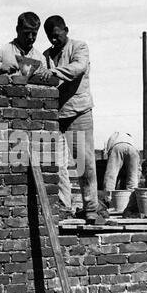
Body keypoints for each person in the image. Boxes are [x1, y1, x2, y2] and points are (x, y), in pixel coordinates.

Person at [39, 15, 99, 221]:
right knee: (56, 163)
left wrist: (52, 72)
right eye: (50, 37)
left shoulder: (79, 47)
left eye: (57, 35)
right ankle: (64, 206)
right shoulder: (46, 54)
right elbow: (40, 76)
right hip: (55, 114)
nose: (54, 40)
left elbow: (78, 68)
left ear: (66, 29)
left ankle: (91, 208)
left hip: (78, 112)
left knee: (84, 162)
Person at [103, 132, 140, 206]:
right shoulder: (130, 138)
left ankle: (108, 199)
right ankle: (132, 201)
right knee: (133, 175)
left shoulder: (114, 136)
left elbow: (108, 154)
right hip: (132, 148)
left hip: (117, 147)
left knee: (111, 175)